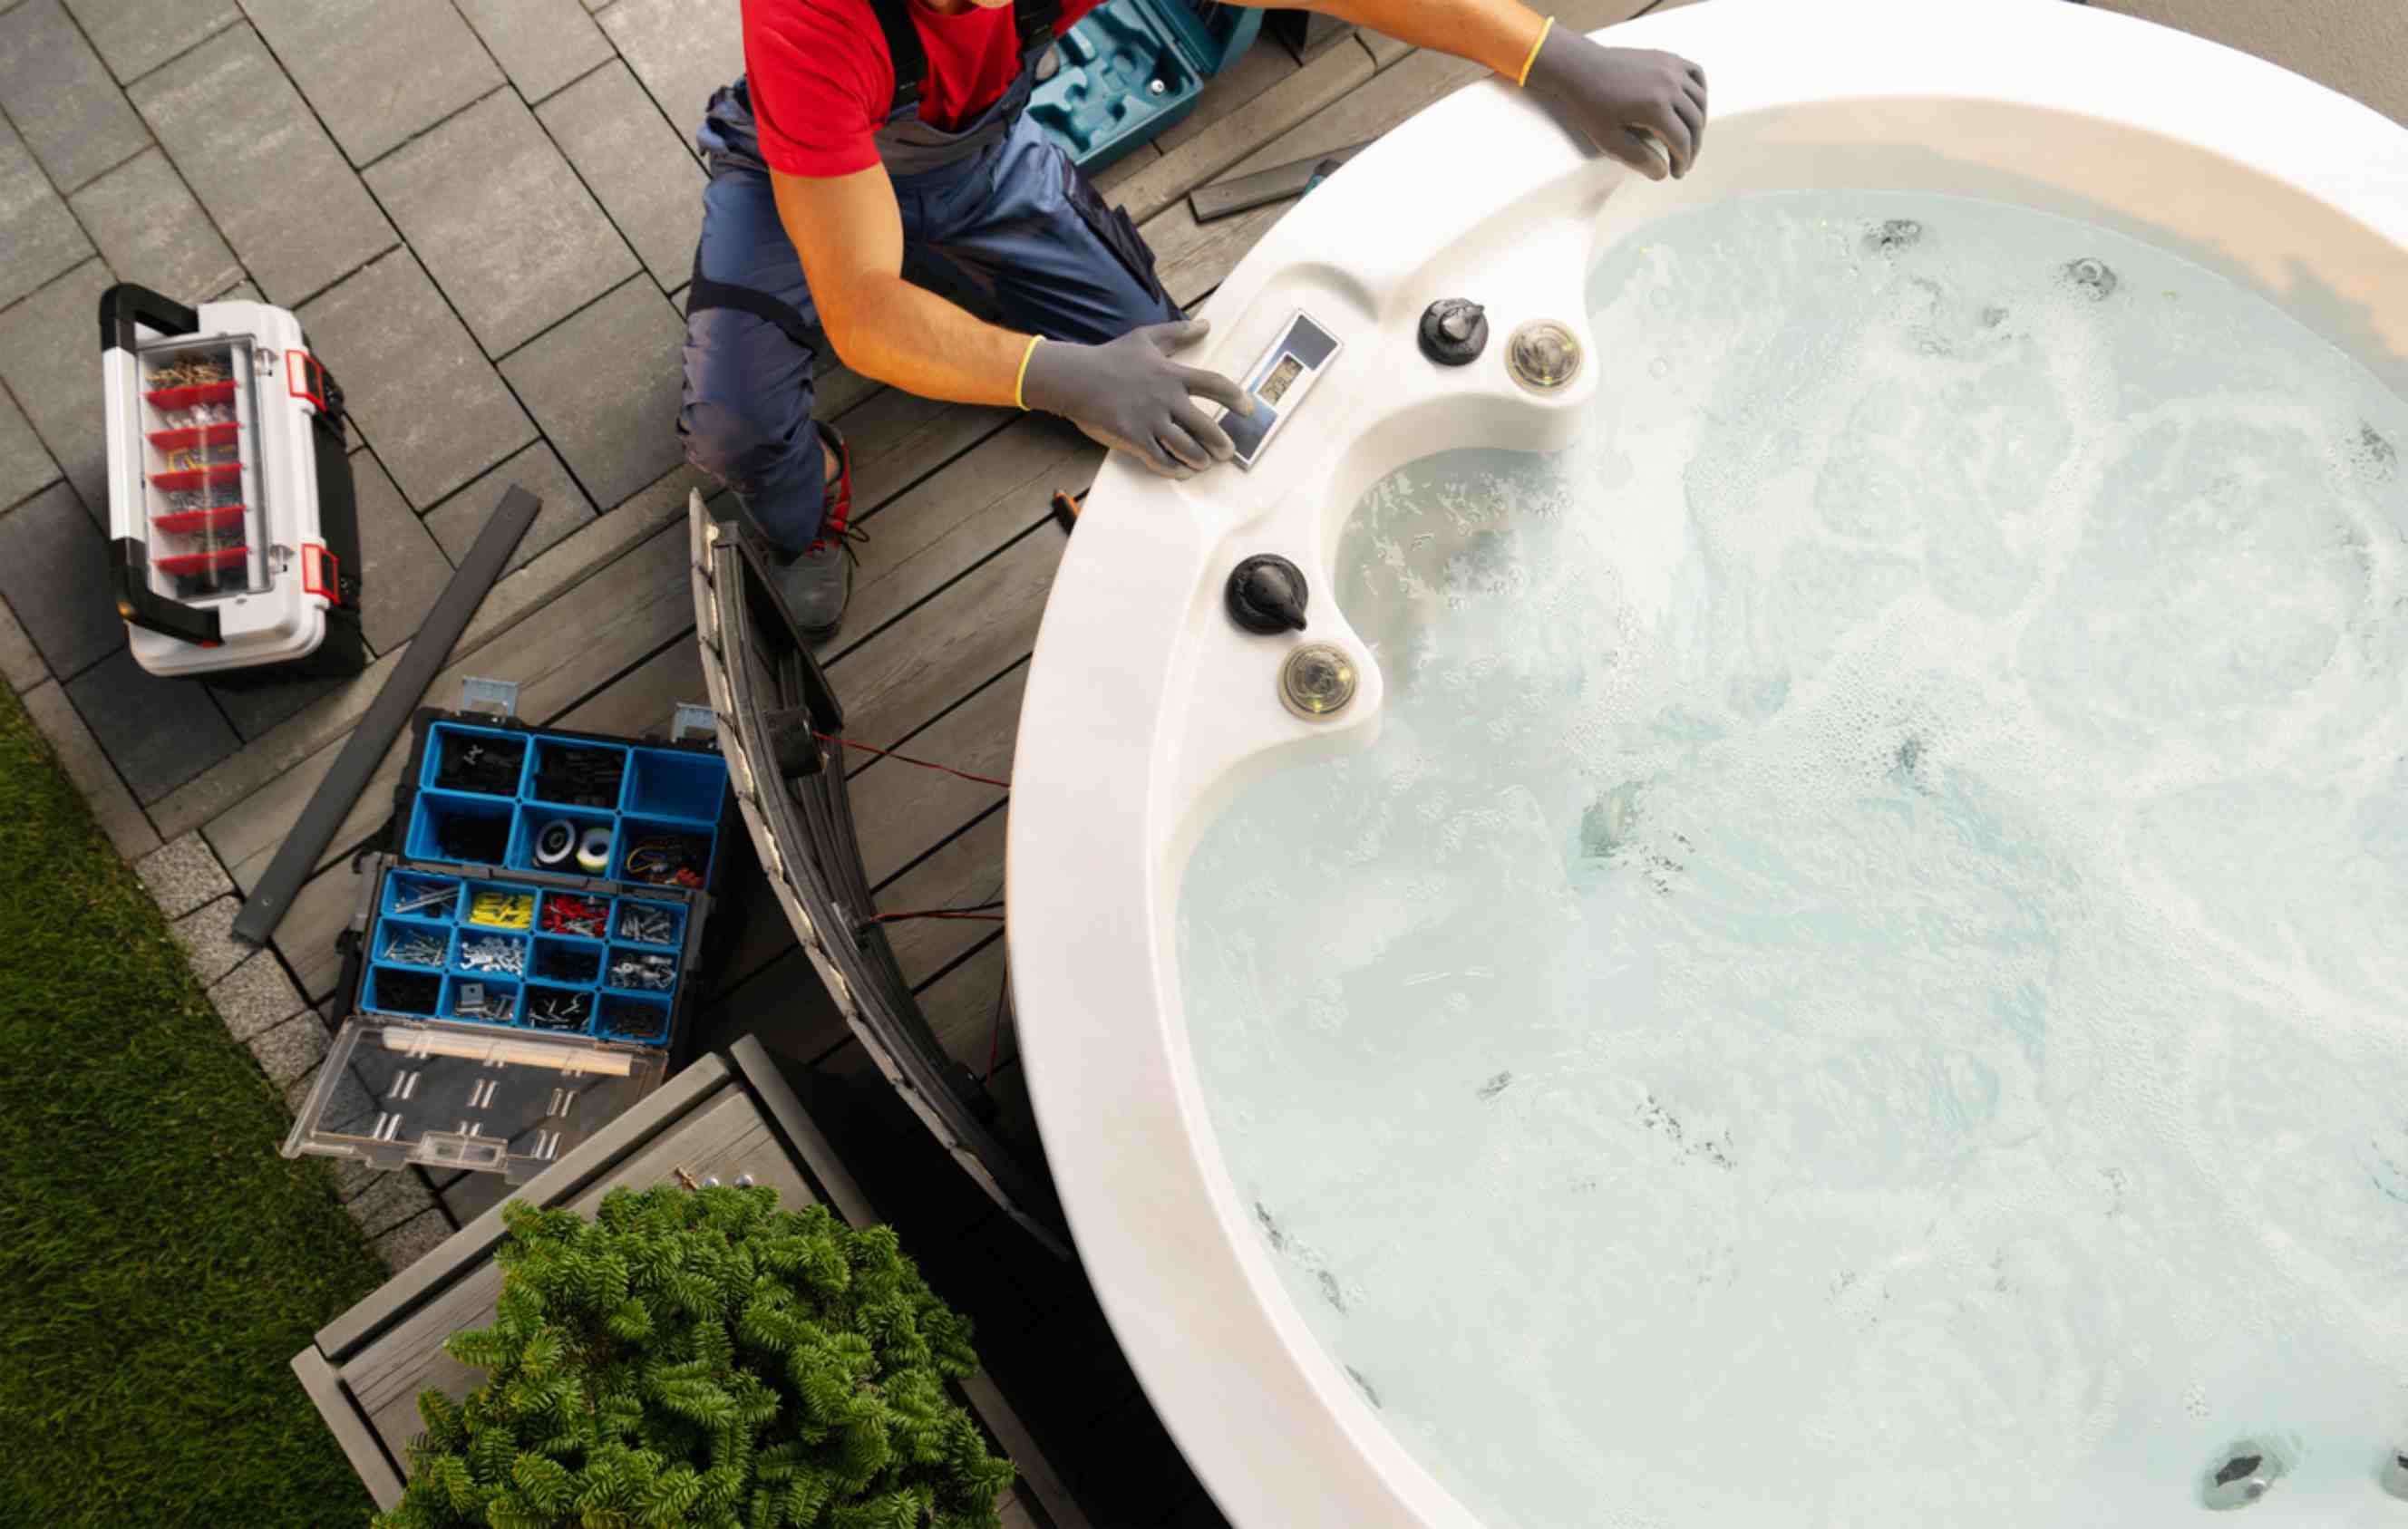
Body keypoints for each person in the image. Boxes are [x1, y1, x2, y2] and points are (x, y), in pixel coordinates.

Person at [680, 0, 1709, 636]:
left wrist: (1551, 56)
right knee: (732, 430)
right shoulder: (808, 18)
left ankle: (972, 308)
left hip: (981, 164)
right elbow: (863, 309)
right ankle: (810, 504)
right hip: (795, 186)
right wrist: (1058, 376)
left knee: (1187, 389)